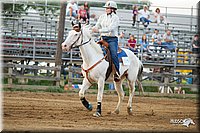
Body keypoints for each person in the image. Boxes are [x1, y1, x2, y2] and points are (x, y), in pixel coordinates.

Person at [92, 1, 120, 81]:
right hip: (103, 38)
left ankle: (117, 72)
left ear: (113, 9)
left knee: (114, 54)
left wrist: (98, 30)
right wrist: (93, 28)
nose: (106, 9)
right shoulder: (102, 16)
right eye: (106, 8)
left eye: (108, 8)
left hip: (112, 39)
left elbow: (110, 29)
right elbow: (97, 25)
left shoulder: (115, 18)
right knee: (93, 49)